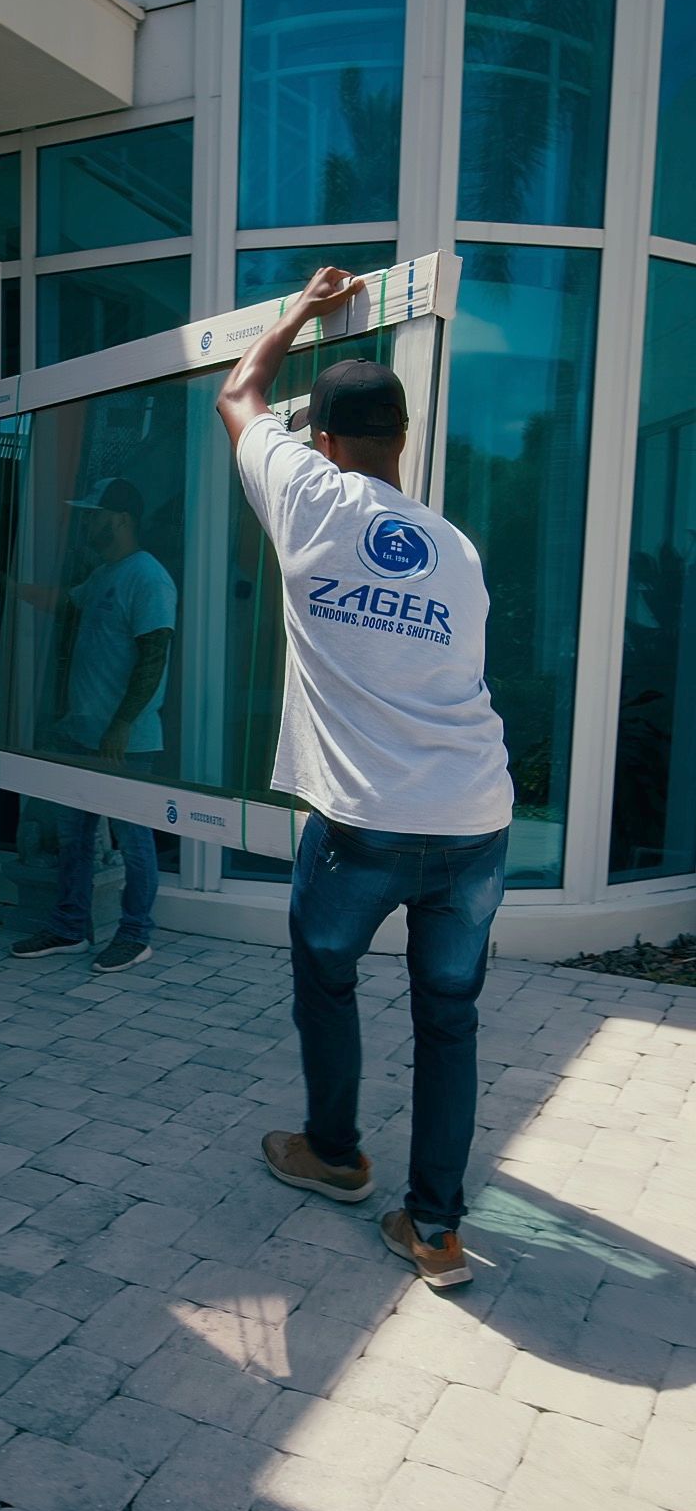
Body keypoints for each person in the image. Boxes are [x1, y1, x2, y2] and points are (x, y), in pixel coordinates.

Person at [216, 268, 513, 1290]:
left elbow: (237, 395)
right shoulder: (457, 550)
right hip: (476, 815)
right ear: (403, 444)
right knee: (450, 1017)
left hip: (366, 825)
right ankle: (436, 1232)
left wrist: (300, 311)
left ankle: (336, 1155)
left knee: (328, 975)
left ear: (328, 444)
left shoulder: (306, 495)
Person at [11, 478, 177, 974]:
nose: (88, 522)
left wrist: (122, 726)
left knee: (134, 839)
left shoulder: (148, 577)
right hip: (81, 734)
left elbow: (155, 654)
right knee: (75, 836)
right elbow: (68, 602)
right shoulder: (107, 573)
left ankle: (135, 934)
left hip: (121, 742)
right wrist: (8, 588)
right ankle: (68, 929)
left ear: (121, 519)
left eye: (95, 514)